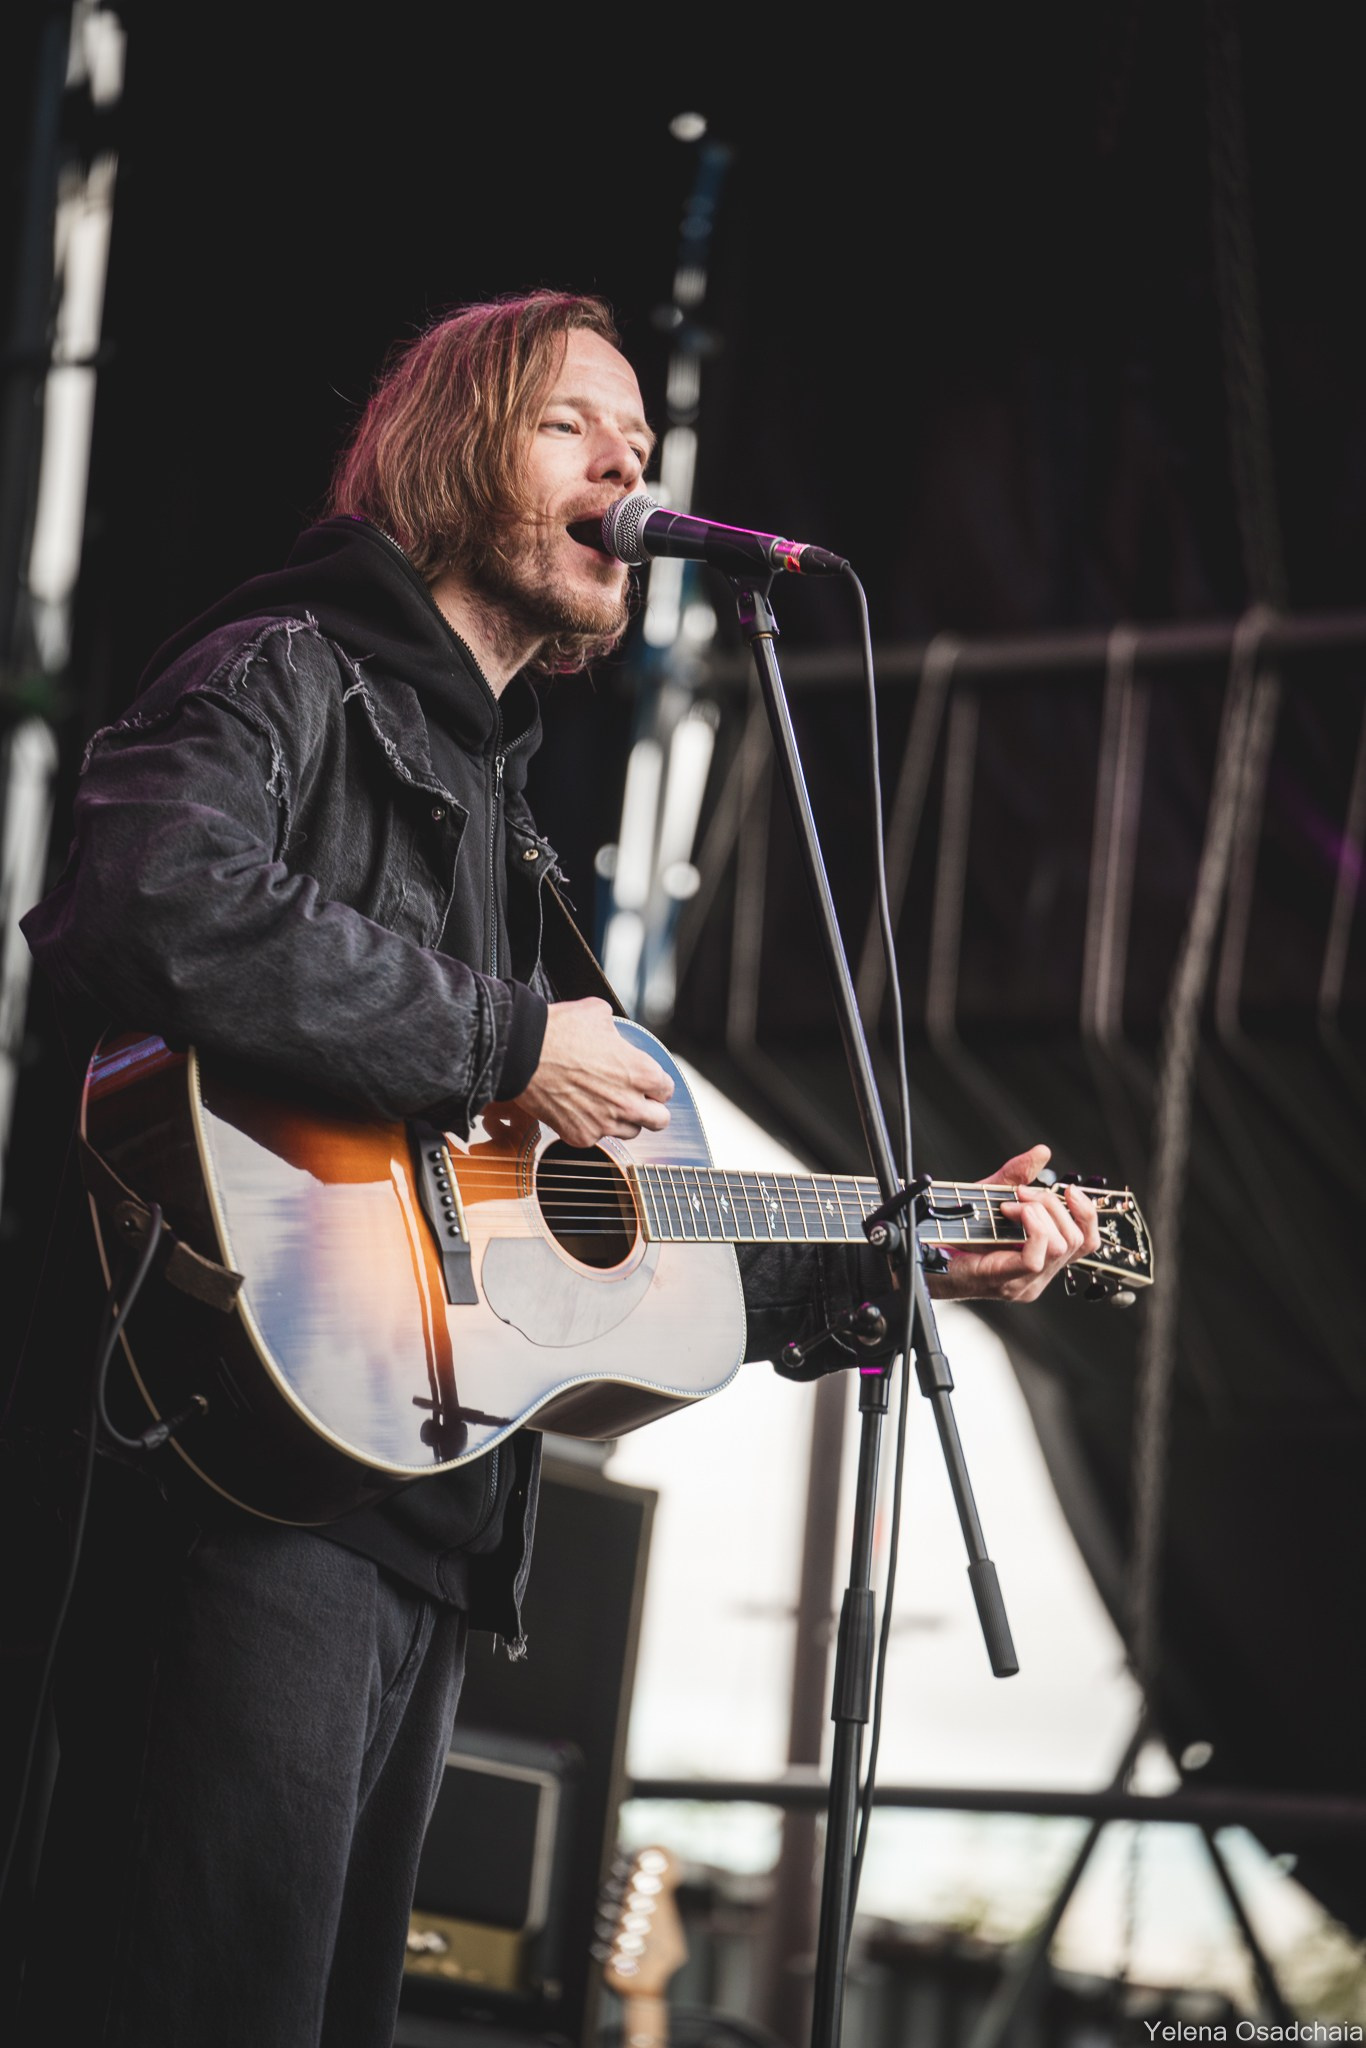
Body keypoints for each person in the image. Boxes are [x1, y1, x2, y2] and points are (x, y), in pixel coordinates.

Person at [9, 291, 1098, 2045]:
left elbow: (619, 1238)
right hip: (245, 1490)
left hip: (424, 1517)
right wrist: (505, 1040)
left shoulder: (508, 814)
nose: (628, 472)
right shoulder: (283, 667)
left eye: (643, 444)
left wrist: (906, 1257)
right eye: (572, 428)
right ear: (453, 453)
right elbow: (145, 901)